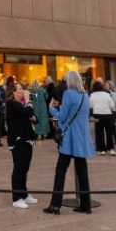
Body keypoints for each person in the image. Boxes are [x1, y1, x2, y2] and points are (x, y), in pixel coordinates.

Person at [45, 70, 95, 215]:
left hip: (68, 139)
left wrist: (51, 109)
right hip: (81, 138)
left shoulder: (68, 94)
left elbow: (62, 116)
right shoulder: (85, 96)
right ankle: (86, 205)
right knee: (82, 173)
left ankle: (55, 205)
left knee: (60, 171)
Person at [6, 83, 38, 208]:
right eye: (20, 89)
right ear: (14, 92)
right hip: (18, 140)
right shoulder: (12, 104)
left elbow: (34, 116)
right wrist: (28, 102)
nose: (23, 91)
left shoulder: (21, 105)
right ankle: (16, 197)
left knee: (25, 167)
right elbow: (28, 113)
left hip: (27, 139)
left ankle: (24, 194)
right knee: (19, 167)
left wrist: (30, 115)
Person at [89, 81, 116, 155]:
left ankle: (101, 149)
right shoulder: (107, 94)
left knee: (99, 133)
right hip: (108, 114)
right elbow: (112, 106)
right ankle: (111, 148)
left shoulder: (92, 95)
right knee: (109, 133)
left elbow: (90, 106)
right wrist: (113, 112)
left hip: (97, 114)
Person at [105, 79, 116, 146]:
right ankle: (110, 139)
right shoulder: (105, 93)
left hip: (112, 111)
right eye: (105, 85)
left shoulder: (113, 93)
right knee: (108, 126)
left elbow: (113, 102)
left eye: (107, 85)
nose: (106, 86)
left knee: (113, 125)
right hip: (106, 111)